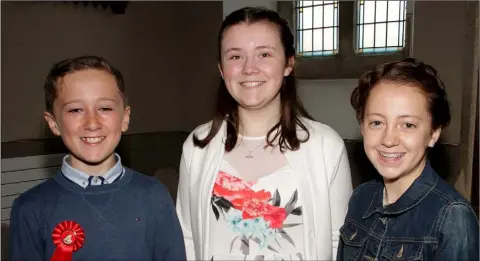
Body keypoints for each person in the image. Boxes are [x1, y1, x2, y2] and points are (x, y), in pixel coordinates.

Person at [176, 7, 353, 261]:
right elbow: (188, 238)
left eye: (264, 54)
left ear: (288, 64)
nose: (249, 68)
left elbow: (339, 243)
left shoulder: (326, 147)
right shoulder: (197, 148)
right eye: (235, 57)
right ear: (221, 68)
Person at [9, 55, 186, 261]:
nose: (92, 123)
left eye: (105, 108)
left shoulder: (155, 196)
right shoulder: (29, 208)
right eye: (75, 110)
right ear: (54, 123)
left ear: (125, 118)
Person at [337, 58, 479, 260]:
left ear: (433, 133)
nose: (388, 139)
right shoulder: (361, 198)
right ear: (362, 126)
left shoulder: (452, 217)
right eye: (377, 122)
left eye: (408, 125)